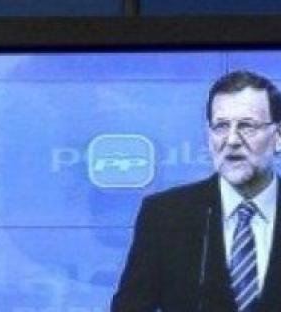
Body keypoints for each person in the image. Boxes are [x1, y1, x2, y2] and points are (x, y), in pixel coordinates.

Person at [111, 70, 281, 312]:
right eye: (221, 126)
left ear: (278, 136)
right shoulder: (165, 215)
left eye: (247, 126)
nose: (232, 140)